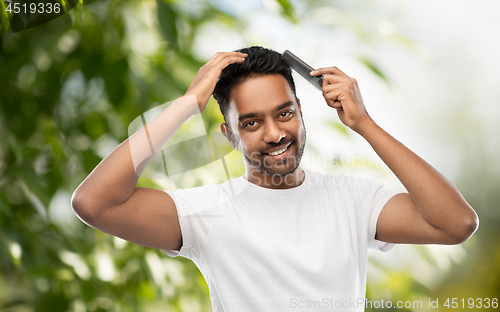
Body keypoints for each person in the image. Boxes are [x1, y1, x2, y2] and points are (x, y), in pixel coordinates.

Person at [71, 46, 479, 311]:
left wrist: (365, 124)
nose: (274, 133)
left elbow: (456, 223)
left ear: (301, 110)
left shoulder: (355, 200)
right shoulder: (206, 213)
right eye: (251, 122)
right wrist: (186, 104)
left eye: (284, 113)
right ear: (229, 135)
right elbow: (94, 203)